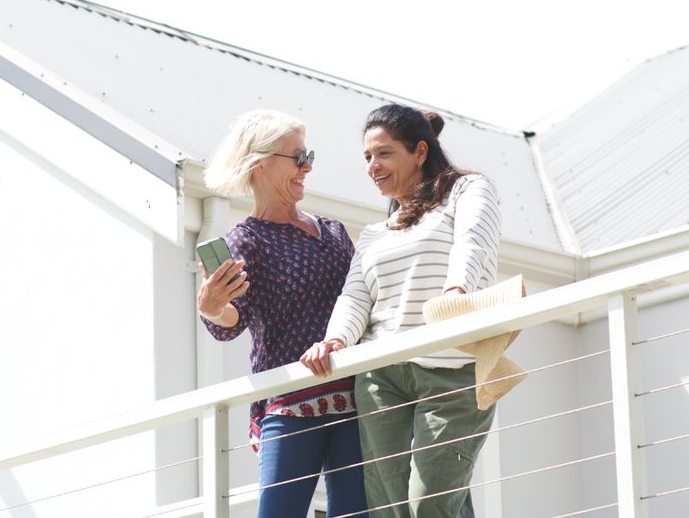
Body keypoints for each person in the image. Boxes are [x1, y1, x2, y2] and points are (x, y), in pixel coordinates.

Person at [301, 104, 503, 517]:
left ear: (421, 153)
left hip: (451, 366)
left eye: (384, 153)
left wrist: (456, 290)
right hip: (382, 375)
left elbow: (473, 242)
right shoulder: (375, 232)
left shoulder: (467, 190)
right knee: (391, 508)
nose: (372, 166)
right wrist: (336, 339)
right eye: (367, 157)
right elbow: (355, 297)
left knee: (429, 502)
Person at [197, 110, 368, 518]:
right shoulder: (246, 241)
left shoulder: (334, 231)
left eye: (309, 155)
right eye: (297, 157)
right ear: (259, 164)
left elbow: (363, 301)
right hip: (292, 402)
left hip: (356, 398)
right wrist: (212, 308)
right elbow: (231, 320)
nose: (307, 166)